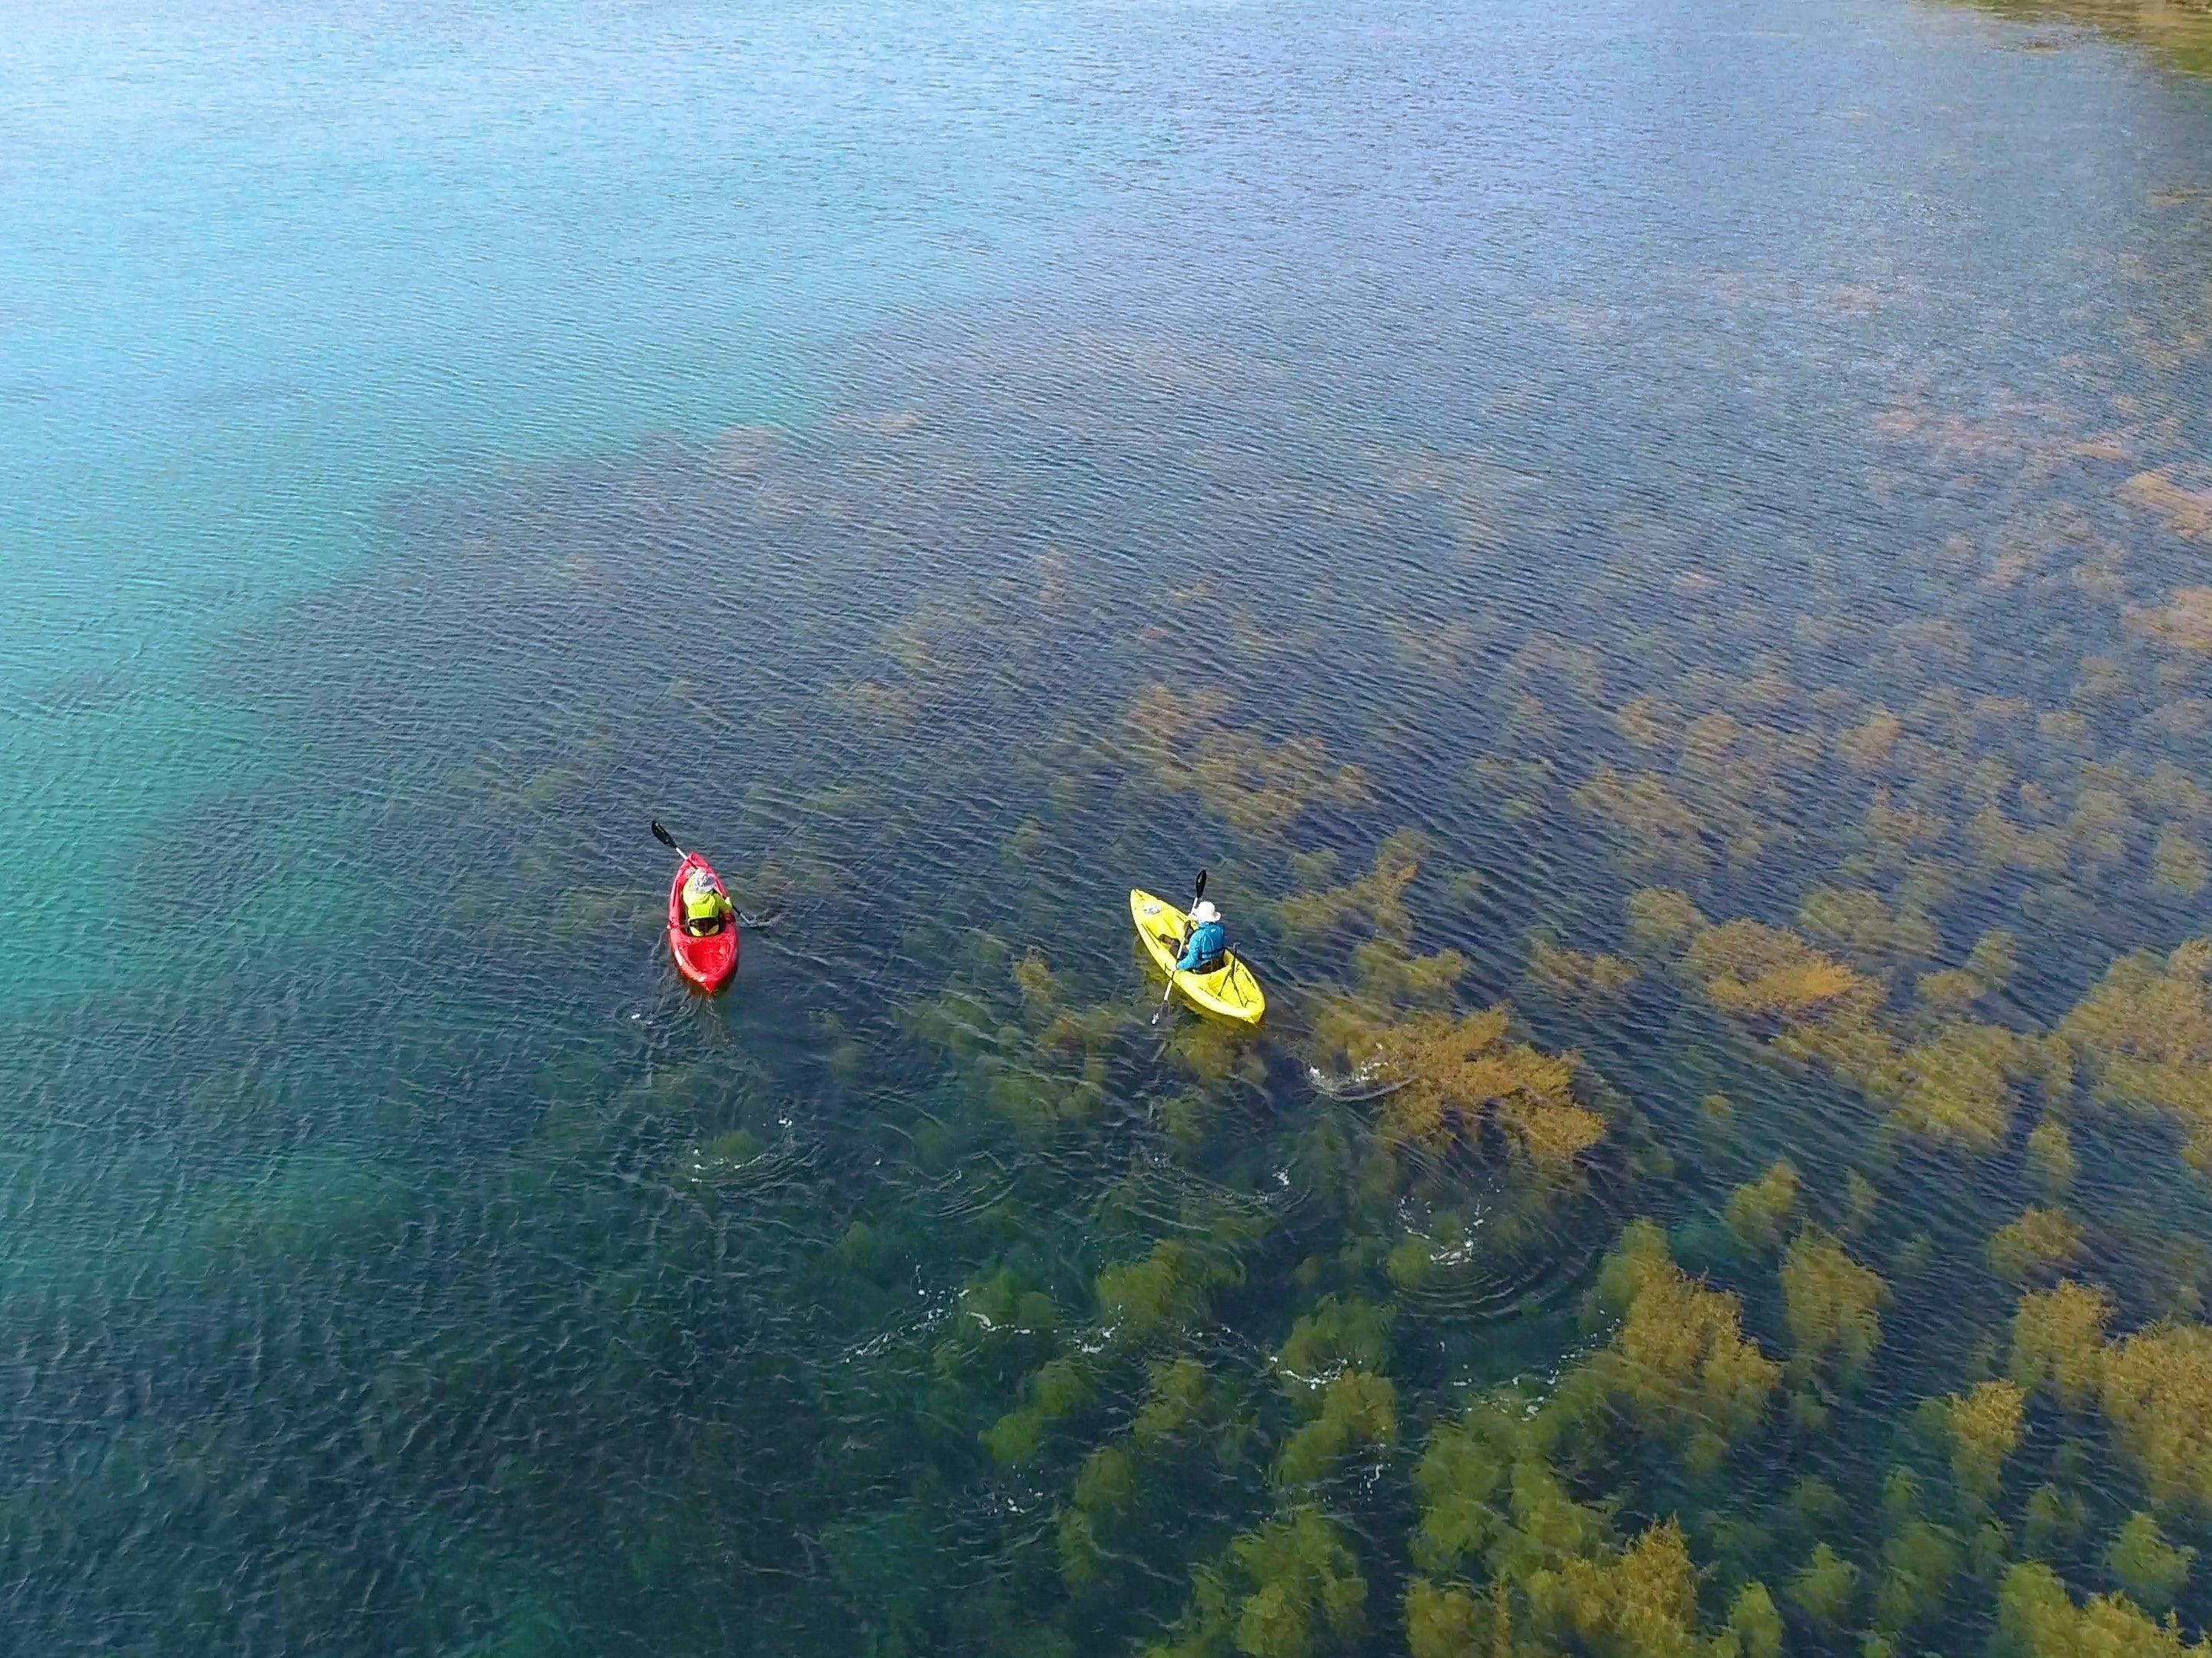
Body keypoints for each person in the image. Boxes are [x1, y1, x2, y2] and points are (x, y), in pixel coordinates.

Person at [1176, 899, 1227, 975]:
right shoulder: (1220, 930)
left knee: (1174, 945)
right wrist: (1195, 919)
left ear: (1201, 917)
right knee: (1188, 929)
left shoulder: (1197, 936)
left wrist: (1178, 966)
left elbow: (1192, 960)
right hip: (1216, 964)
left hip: (1202, 969)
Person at [680, 865, 734, 936]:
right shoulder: (715, 897)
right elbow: (728, 909)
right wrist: (728, 900)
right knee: (719, 908)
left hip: (695, 932)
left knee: (687, 905)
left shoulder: (689, 897)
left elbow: (686, 888)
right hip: (714, 930)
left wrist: (694, 876)